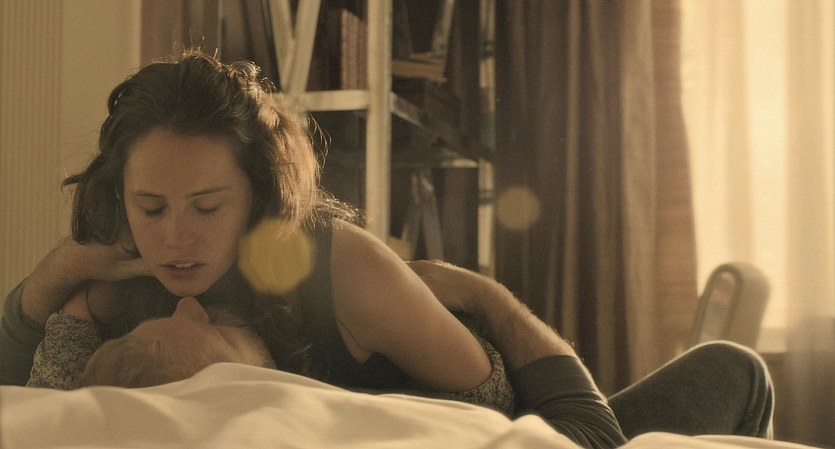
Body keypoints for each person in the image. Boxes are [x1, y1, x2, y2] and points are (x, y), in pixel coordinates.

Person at [0, 48, 513, 415]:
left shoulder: (344, 268)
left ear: (258, 195)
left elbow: (500, 409)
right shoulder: (112, 274)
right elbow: (34, 413)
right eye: (151, 208)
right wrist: (60, 270)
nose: (175, 239)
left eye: (207, 208)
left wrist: (484, 298)